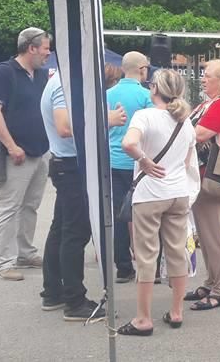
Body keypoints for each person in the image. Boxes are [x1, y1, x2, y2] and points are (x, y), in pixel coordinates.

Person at [118, 70, 198, 336]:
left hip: (150, 194)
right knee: (177, 252)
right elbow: (186, 162)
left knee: (146, 255)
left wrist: (144, 160)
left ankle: (143, 318)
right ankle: (176, 311)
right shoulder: (185, 122)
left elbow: (128, 143)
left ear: (154, 89)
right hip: (178, 192)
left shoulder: (145, 116)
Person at [39, 73, 123, 321]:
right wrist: (107, 118)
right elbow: (65, 127)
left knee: (62, 230)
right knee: (75, 233)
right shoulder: (65, 83)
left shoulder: (61, 81)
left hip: (68, 163)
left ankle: (54, 292)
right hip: (72, 165)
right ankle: (74, 301)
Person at [0, 27, 52, 281]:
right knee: (9, 206)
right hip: (18, 152)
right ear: (31, 48)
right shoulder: (4, 72)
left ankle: (25, 252)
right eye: (45, 48)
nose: (48, 53)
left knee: (30, 206)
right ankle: (3, 262)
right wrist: (12, 146)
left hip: (40, 150)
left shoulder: (41, 75)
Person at [185, 60, 220, 310]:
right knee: (207, 235)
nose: (203, 79)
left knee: (215, 236)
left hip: (213, 175)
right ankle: (211, 282)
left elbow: (197, 134)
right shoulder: (211, 103)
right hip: (205, 174)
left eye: (208, 76)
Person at [106, 52, 153, 283]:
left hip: (113, 161)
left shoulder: (107, 94)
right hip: (139, 161)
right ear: (143, 69)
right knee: (144, 215)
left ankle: (123, 266)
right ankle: (147, 262)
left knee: (118, 215)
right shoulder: (146, 96)